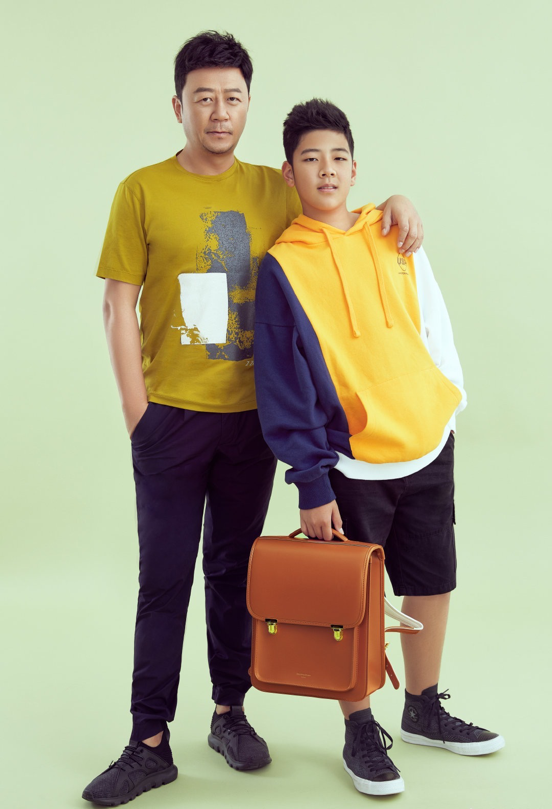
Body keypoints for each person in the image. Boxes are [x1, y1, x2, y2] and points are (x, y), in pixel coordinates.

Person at [81, 31, 424, 806]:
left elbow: (344, 211)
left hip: (252, 425)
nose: (219, 112)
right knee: (163, 579)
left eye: (232, 98)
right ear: (178, 106)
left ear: (247, 106)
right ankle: (147, 740)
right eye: (203, 98)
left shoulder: (276, 187)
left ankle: (229, 713)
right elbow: (116, 304)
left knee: (234, 572)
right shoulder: (142, 190)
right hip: (170, 420)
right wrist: (139, 417)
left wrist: (398, 203)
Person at [253, 98, 504, 797]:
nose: (326, 169)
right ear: (289, 173)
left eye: (338, 157)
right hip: (349, 459)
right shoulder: (283, 265)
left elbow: (433, 320)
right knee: (352, 600)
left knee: (433, 577)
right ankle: (360, 728)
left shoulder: (393, 230)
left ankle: (423, 707)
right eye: (311, 159)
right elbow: (283, 382)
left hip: (426, 442)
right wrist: (311, 480)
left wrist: (446, 404)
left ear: (355, 168)